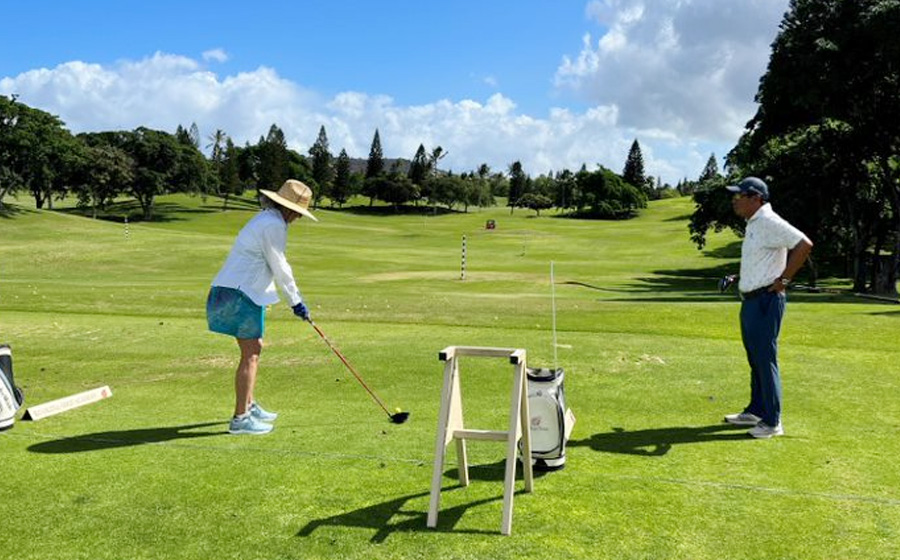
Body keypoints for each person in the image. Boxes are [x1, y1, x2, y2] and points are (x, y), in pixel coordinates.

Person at [206, 179, 317, 435]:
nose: (298, 218)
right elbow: (280, 266)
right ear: (289, 209)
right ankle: (240, 419)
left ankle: (249, 404)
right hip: (238, 294)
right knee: (251, 353)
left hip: (235, 292)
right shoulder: (273, 225)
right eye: (298, 213)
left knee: (254, 349)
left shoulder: (265, 219)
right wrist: (296, 301)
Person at [723, 177, 813, 439]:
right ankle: (756, 410)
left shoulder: (769, 221)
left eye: (739, 196)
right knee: (755, 359)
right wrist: (739, 278)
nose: (735, 200)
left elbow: (804, 244)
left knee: (765, 359)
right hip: (751, 299)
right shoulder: (754, 224)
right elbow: (762, 262)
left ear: (755, 198)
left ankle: (773, 421)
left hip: (766, 301)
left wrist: (784, 280)